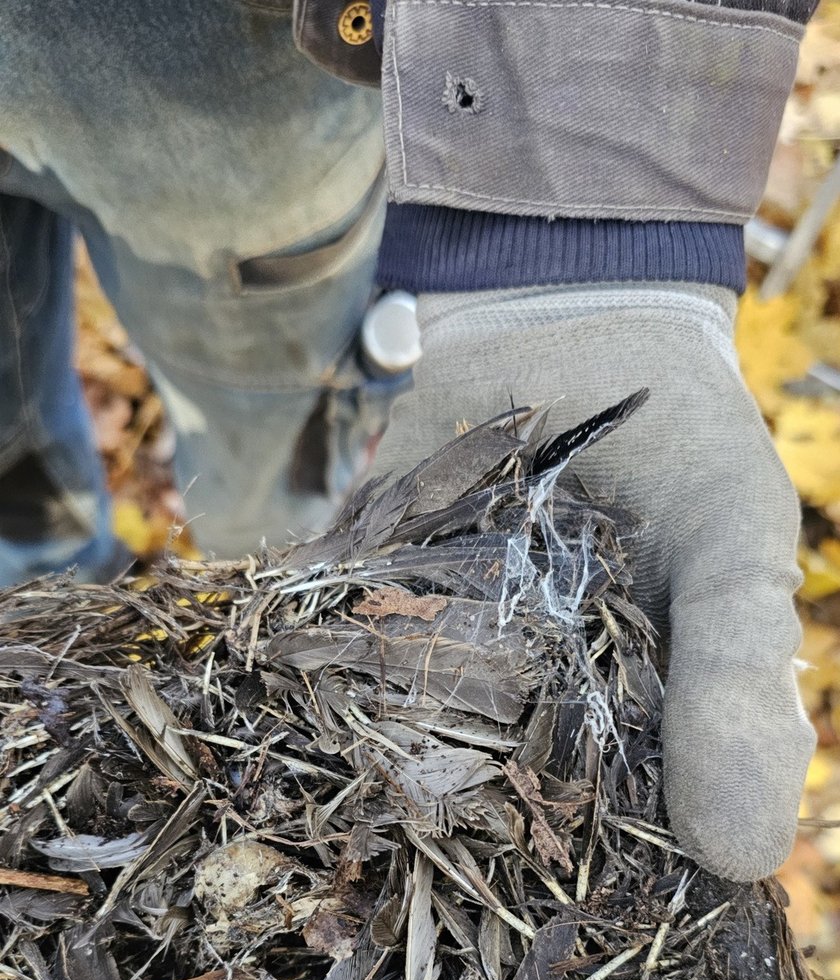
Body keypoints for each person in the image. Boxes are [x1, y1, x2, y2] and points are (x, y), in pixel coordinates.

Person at [0, 0, 818, 887]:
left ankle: (267, 577)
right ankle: (51, 630)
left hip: (228, 92)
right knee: (16, 487)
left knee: (270, 469)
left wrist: (590, 216)